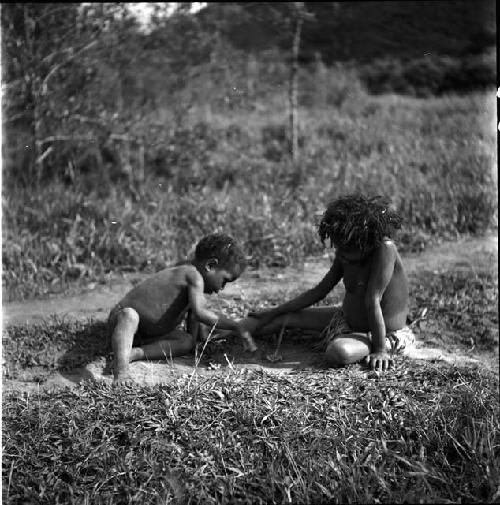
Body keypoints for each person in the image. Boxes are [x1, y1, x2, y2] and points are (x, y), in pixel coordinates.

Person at [244, 194, 415, 372]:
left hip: (383, 333)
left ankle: (369, 344)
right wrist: (273, 312)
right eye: (339, 247)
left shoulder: (384, 249)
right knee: (283, 318)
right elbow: (320, 290)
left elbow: (373, 300)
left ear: (365, 242)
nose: (341, 253)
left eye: (346, 249)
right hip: (345, 320)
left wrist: (380, 350)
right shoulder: (346, 249)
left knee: (339, 351)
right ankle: (228, 331)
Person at [108, 233, 257, 385]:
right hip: (122, 322)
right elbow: (201, 313)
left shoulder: (191, 274)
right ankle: (121, 370)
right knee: (130, 315)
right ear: (210, 266)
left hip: (148, 334)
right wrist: (235, 325)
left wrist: (196, 342)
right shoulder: (193, 275)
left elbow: (193, 316)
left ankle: (133, 354)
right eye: (224, 280)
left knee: (185, 341)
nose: (221, 288)